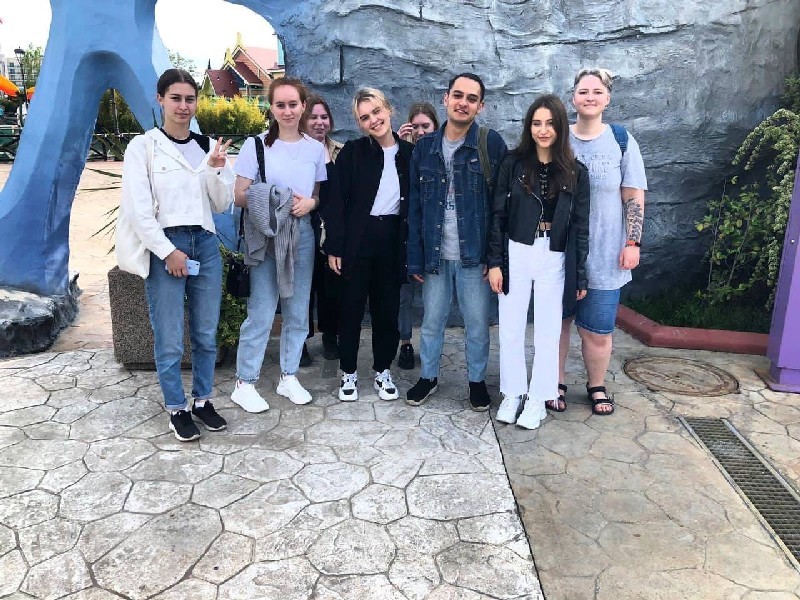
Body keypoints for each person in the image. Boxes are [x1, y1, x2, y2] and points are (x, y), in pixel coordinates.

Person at [118, 68, 233, 441]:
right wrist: (168, 252)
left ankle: (202, 400)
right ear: (161, 99)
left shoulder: (207, 146)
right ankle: (176, 407)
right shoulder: (144, 147)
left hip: (205, 244)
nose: (183, 106)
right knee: (169, 336)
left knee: (205, 333)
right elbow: (138, 211)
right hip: (166, 245)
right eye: (176, 98)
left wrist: (217, 171)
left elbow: (221, 203)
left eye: (190, 99)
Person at [406, 73, 508, 410]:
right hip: (435, 255)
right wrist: (415, 257)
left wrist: (495, 258)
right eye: (458, 95)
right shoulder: (424, 148)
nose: (463, 103)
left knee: (477, 325)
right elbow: (415, 207)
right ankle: (428, 377)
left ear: (481, 106)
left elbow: (501, 207)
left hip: (474, 256)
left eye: (471, 98)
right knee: (431, 322)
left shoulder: (490, 144)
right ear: (446, 98)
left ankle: (476, 382)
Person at [488, 94, 590, 429]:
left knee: (547, 332)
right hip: (517, 250)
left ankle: (538, 399)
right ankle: (513, 393)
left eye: (549, 123)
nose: (542, 130)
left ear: (560, 127)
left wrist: (580, 276)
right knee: (511, 329)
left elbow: (580, 227)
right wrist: (495, 262)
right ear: (528, 127)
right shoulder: (513, 163)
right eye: (536, 123)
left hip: (554, 255)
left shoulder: (576, 172)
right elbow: (497, 215)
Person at [230, 77, 327, 412]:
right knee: (261, 311)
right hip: (267, 236)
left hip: (302, 234)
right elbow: (239, 195)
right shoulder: (255, 146)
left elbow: (317, 194)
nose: (287, 111)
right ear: (270, 108)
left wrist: (311, 204)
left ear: (303, 106)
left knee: (298, 311)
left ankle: (289, 375)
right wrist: (275, 200)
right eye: (280, 105)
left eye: (293, 104)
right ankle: (245, 382)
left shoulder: (314, 148)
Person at [559, 67, 647, 416]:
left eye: (597, 91)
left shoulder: (621, 141)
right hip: (561, 254)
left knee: (597, 331)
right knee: (558, 326)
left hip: (606, 254)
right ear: (573, 98)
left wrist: (632, 243)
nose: (590, 97)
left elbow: (633, 196)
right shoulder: (558, 138)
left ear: (607, 98)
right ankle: (555, 382)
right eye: (583, 91)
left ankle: (596, 385)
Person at [324, 88, 413, 401]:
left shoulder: (410, 154)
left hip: (392, 239)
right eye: (365, 117)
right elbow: (335, 201)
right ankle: (348, 372)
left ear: (388, 109)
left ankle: (382, 370)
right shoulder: (353, 152)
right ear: (360, 124)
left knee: (387, 309)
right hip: (357, 240)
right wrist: (335, 246)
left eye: (376, 111)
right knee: (350, 308)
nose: (373, 120)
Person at [395, 102, 440, 370]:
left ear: (435, 126)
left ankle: (432, 346)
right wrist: (401, 147)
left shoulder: (440, 151)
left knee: (435, 297)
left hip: (433, 234)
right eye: (416, 126)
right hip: (406, 233)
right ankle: (405, 342)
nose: (421, 131)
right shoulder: (402, 153)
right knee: (404, 295)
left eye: (426, 126)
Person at [299, 94, 344, 365]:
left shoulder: (340, 151)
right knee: (302, 287)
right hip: (303, 224)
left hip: (331, 228)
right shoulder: (296, 150)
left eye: (324, 117)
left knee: (331, 287)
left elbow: (338, 190)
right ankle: (301, 340)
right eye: (313, 117)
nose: (319, 122)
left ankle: (330, 336)